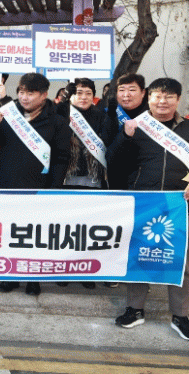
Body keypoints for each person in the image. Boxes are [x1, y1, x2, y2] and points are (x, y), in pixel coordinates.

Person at [106, 78, 189, 340]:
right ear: (148, 98)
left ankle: (181, 315)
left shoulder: (187, 128)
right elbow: (113, 162)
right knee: (140, 254)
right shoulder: (136, 126)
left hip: (179, 203)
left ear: (178, 100)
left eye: (169, 96)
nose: (163, 102)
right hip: (144, 201)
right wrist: (125, 136)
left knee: (182, 260)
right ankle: (135, 309)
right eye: (157, 96)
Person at [0, 72, 72, 296]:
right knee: (9, 233)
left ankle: (33, 278)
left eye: (30, 93)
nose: (24, 97)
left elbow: (62, 158)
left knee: (35, 236)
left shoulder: (57, 121)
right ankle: (10, 276)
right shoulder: (8, 113)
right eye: (21, 92)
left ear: (44, 95)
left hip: (38, 187)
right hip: (7, 185)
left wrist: (54, 188)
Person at [56, 78, 107, 290]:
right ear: (72, 95)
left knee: (88, 227)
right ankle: (64, 268)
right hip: (66, 177)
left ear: (94, 96)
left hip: (92, 178)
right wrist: (64, 99)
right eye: (79, 93)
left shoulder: (101, 115)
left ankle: (85, 270)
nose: (83, 97)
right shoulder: (63, 112)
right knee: (65, 226)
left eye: (88, 93)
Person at [102, 73, 148, 189]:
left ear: (143, 93)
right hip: (114, 181)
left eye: (132, 90)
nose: (126, 95)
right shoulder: (107, 113)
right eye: (121, 90)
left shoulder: (151, 117)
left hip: (144, 181)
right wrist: (111, 116)